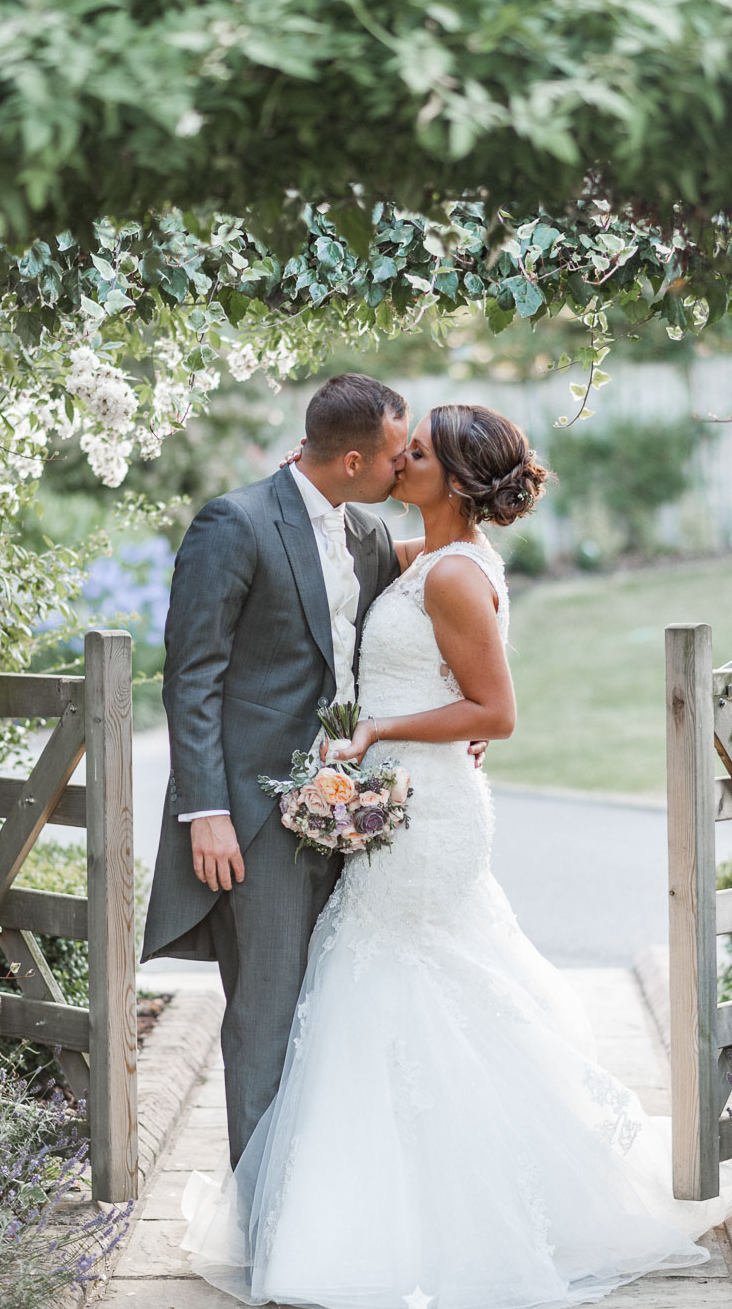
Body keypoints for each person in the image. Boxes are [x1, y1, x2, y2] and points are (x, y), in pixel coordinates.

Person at [178, 402, 732, 1309]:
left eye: (414, 453)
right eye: (396, 448)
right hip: (389, 806)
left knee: (405, 987)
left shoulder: (449, 573)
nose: (399, 462)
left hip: (428, 816)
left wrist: (386, 728)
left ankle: (444, 1221)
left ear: (451, 480)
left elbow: (494, 711)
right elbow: (342, 613)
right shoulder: (405, 554)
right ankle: (369, 1208)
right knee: (379, 993)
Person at [141, 374, 485, 1170]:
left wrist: (460, 713)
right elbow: (191, 677)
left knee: (337, 1013)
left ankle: (327, 1200)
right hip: (253, 822)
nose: (407, 468)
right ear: (357, 459)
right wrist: (207, 811)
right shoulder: (234, 523)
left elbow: (446, 594)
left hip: (354, 817)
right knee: (263, 1017)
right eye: (401, 455)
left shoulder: (365, 536)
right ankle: (262, 1223)